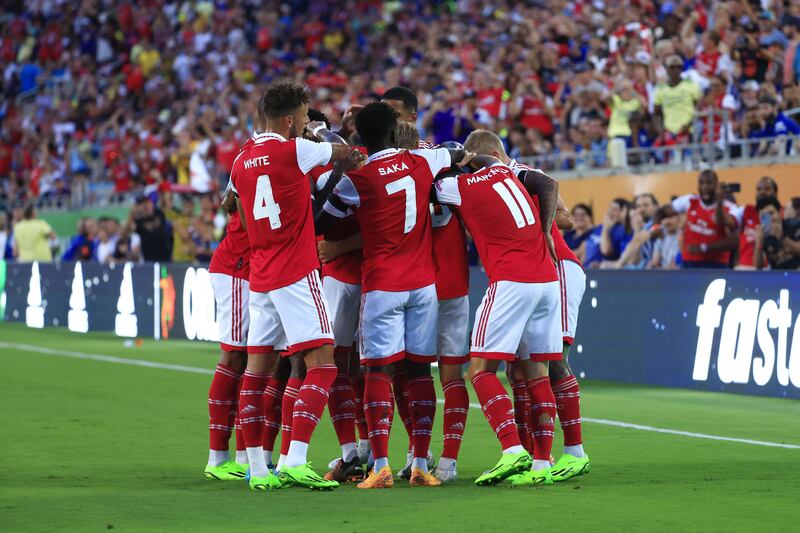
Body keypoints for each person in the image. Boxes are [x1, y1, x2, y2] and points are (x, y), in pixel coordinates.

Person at [317, 101, 469, 488]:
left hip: (383, 285)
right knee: (419, 372)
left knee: (377, 371)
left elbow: (325, 222)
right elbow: (455, 152)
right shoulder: (421, 162)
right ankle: (420, 463)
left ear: (363, 138)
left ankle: (381, 465)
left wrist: (341, 175)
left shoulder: (359, 178)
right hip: (424, 286)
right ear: (393, 130)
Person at [230, 82, 357, 491]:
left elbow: (244, 220)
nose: (305, 124)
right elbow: (341, 152)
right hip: (297, 272)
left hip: (261, 276)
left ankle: (258, 469)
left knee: (257, 374)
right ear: (289, 120)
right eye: (303, 117)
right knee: (324, 365)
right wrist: (318, 134)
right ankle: (296, 460)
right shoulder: (296, 149)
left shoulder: (240, 160)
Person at [464, 129, 590, 482]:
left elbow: (567, 218)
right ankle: (536, 458)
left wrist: (543, 231)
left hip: (556, 267)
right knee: (518, 370)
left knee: (552, 362)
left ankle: (573, 452)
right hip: (532, 274)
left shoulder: (518, 173)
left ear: (488, 153)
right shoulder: (492, 183)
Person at [433, 152, 561, 487]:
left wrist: (449, 162)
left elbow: (431, 188)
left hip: (511, 281)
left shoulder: (458, 185)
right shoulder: (506, 171)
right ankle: (542, 464)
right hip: (547, 280)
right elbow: (546, 182)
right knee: (537, 371)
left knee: (479, 370)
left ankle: (512, 449)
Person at [204, 181, 251, 482]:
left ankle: (243, 457)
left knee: (252, 362)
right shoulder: (256, 158)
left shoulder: (252, 157)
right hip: (236, 268)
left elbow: (226, 201)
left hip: (250, 270)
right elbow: (235, 208)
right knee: (234, 357)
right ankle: (217, 458)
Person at [655, 169, 738, 269]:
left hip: (716, 264)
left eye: (709, 183)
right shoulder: (690, 200)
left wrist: (704, 247)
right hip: (689, 263)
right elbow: (660, 212)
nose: (704, 187)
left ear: (716, 186)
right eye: (701, 183)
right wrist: (656, 228)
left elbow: (735, 240)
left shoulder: (729, 208)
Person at [653, 55, 702, 146]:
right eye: (672, 67)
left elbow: (699, 108)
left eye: (678, 67)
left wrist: (689, 124)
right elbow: (656, 113)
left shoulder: (691, 85)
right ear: (667, 69)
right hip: (669, 130)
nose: (675, 70)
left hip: (689, 130)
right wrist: (661, 131)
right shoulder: (661, 89)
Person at [736, 177, 778, 269]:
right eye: (759, 189)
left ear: (775, 192)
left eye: (767, 189)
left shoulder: (780, 214)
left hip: (769, 269)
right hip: (743, 267)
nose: (762, 192)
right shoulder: (747, 210)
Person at [755, 196, 800, 270]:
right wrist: (758, 243)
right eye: (765, 217)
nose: (771, 219)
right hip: (777, 277)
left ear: (779, 212)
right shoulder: (764, 234)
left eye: (771, 213)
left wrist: (783, 238)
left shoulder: (794, 225)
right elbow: (758, 266)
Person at [127, 194, 173, 262]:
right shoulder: (138, 221)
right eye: (142, 204)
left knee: (165, 272)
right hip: (149, 258)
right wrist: (132, 213)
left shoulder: (159, 213)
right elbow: (127, 229)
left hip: (165, 256)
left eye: (147, 203)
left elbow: (165, 202)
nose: (145, 206)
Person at [599, 198, 633, 262]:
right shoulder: (601, 227)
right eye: (610, 208)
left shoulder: (623, 229)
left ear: (623, 212)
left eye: (614, 209)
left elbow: (606, 250)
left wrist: (605, 228)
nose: (610, 212)